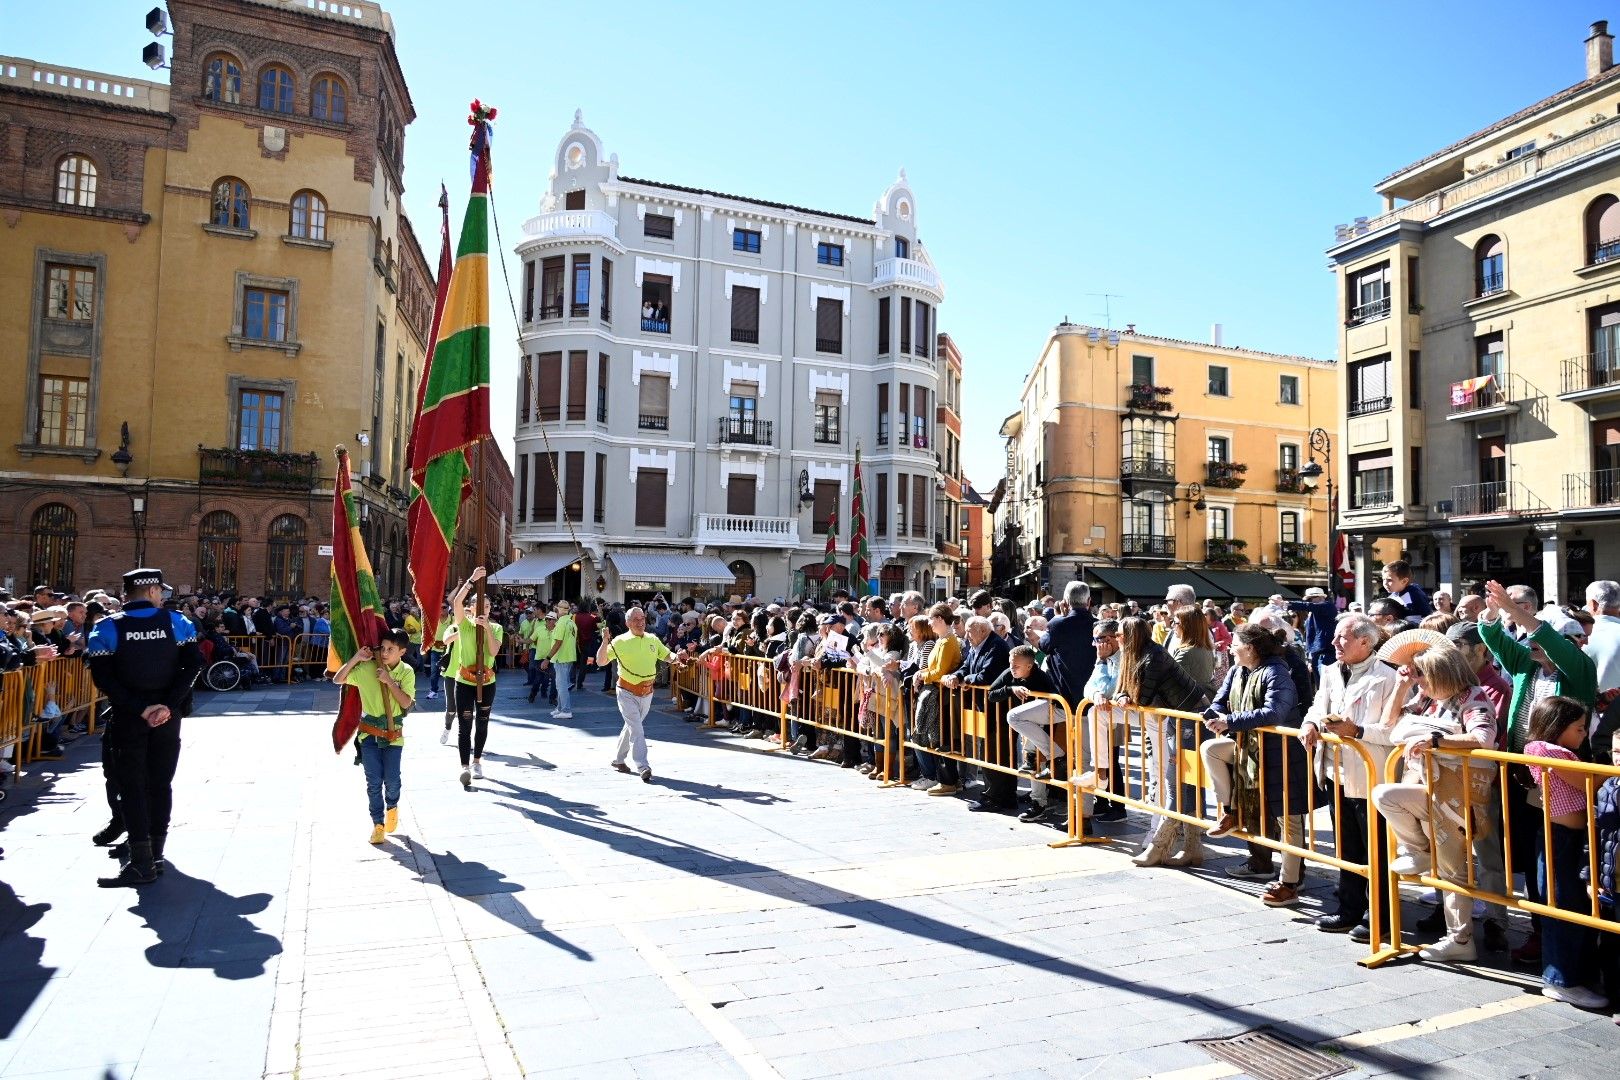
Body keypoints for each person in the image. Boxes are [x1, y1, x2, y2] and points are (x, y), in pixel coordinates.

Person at [1478, 578, 1596, 966]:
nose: (1529, 647)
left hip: (1563, 780)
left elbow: (1555, 644)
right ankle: (1540, 929)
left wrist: (1518, 613)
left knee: (1561, 865)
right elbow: (1493, 638)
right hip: (1524, 777)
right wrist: (1494, 614)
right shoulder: (1528, 667)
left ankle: (1568, 939)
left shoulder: (1578, 668)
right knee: (1532, 860)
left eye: (1536, 640)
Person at [1370, 644, 1498, 962]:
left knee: (1454, 869)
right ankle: (1421, 852)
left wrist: (1437, 741)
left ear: (1441, 673)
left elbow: (1483, 738)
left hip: (1459, 795)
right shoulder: (1430, 699)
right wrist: (1402, 686)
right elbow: (1389, 726)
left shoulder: (1473, 696)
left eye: (1422, 675)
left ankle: (1460, 939)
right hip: (1433, 790)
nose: (1419, 680)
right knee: (1385, 796)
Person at [85, 568, 202, 887]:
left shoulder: (105, 628)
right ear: (151, 591)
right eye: (160, 591)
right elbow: (193, 664)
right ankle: (157, 855)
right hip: (168, 717)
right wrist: (167, 704)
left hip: (128, 716)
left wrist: (141, 707)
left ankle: (141, 860)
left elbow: (103, 678)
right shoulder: (178, 622)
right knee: (161, 783)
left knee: (132, 785)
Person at [1298, 613, 1399, 941]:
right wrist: (1310, 724)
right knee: (1346, 845)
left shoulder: (1388, 678)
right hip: (1333, 771)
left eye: (1342, 638)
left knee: (1376, 848)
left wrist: (1357, 730)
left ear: (1365, 642)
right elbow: (1317, 705)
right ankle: (1349, 906)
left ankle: (1380, 913)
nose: (1333, 642)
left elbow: (1394, 731)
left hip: (1370, 773)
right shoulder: (1330, 671)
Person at [1200, 622, 1310, 907]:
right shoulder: (1237, 670)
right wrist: (1212, 714)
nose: (1229, 647)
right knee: (1211, 749)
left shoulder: (1276, 671)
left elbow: (1276, 711)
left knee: (1290, 820)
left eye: (1234, 643)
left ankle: (1289, 882)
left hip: (1283, 753)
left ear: (1249, 648)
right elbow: (1221, 701)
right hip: (1249, 748)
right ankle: (1231, 811)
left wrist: (1229, 721)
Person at [1522, 696, 1609, 1010]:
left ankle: (1570, 975)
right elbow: (1590, 782)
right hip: (1561, 838)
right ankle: (1562, 980)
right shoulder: (1549, 751)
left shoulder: (1544, 748)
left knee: (1569, 905)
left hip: (1565, 836)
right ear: (1557, 726)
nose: (1584, 734)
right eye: (1579, 728)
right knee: (1564, 907)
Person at [1111, 617, 1212, 867]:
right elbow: (1123, 689)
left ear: (1132, 635)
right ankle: (1192, 848)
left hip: (1190, 718)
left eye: (1121, 633)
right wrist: (1123, 695)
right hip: (1179, 718)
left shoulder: (1154, 656)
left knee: (1176, 782)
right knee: (1182, 783)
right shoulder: (1138, 655)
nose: (1117, 637)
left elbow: (1143, 698)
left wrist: (1127, 697)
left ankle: (1160, 846)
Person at [334, 629, 415, 844]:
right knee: (373, 782)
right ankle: (377, 824)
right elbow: (338, 679)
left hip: (393, 735)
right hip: (369, 736)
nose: (386, 653)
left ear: (402, 652)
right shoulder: (368, 667)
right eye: (384, 648)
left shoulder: (406, 672)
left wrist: (389, 681)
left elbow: (406, 703)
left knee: (392, 779)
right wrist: (356, 659)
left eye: (391, 649)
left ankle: (392, 805)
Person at [599, 606, 684, 783]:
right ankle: (643, 765)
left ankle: (618, 760)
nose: (640, 622)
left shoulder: (652, 639)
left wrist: (677, 659)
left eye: (642, 619)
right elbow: (601, 661)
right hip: (627, 691)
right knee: (637, 728)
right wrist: (605, 641)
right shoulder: (620, 641)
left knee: (631, 727)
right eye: (636, 620)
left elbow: (666, 655)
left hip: (647, 692)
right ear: (628, 623)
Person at [448, 568, 503, 790]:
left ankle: (477, 760)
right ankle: (464, 766)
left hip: (487, 681)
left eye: (487, 606)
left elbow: (493, 650)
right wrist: (471, 580)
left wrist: (487, 628)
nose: (484, 609)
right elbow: (456, 602)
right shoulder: (463, 623)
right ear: (471, 607)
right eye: (479, 605)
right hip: (464, 681)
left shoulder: (496, 627)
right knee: (465, 724)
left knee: (482, 722)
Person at [1288, 586, 1339, 677]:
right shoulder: (1311, 614)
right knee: (1319, 686)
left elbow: (1309, 606)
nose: (1309, 601)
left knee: (1326, 685)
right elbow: (1309, 636)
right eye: (1308, 599)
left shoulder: (1328, 606)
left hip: (1327, 654)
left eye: (1311, 599)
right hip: (1316, 655)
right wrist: (1310, 659)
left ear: (1321, 597)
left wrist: (1287, 604)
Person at [543, 601, 579, 719]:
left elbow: (558, 642)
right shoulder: (571, 622)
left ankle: (566, 710)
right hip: (568, 656)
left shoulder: (561, 623)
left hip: (561, 657)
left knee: (562, 685)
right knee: (561, 684)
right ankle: (560, 708)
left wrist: (547, 658)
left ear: (558, 610)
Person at [1381, 559, 1434, 624]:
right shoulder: (1395, 594)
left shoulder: (1413, 595)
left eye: (1389, 580)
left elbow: (1414, 622)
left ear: (1404, 581)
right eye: (1384, 579)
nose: (1385, 583)